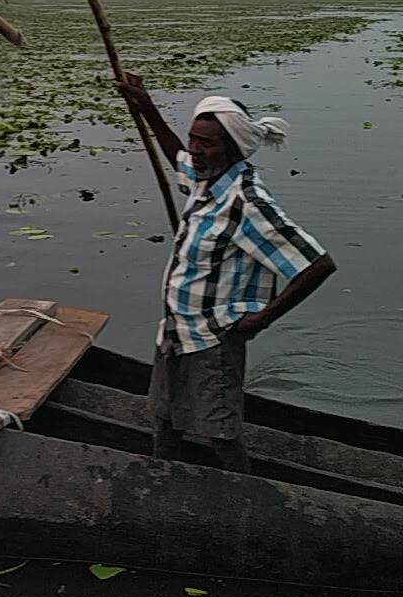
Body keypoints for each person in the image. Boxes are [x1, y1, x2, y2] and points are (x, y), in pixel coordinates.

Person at [116, 73, 336, 473]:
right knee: (164, 419)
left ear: (232, 150)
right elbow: (176, 156)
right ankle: (159, 485)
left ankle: (241, 506)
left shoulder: (246, 202)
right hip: (175, 330)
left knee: (220, 433)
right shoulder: (205, 180)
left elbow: (318, 264)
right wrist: (146, 107)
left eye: (206, 143)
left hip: (213, 338)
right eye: (194, 139)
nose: (194, 151)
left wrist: (263, 318)